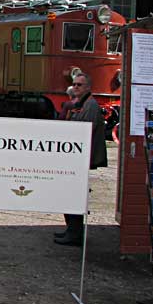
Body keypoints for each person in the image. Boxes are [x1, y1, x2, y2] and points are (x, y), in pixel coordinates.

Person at [55, 72, 107, 246]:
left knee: (73, 195)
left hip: (81, 159)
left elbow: (84, 131)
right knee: (68, 195)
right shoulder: (80, 104)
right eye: (75, 84)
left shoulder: (90, 106)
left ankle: (75, 233)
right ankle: (71, 230)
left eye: (79, 85)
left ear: (88, 87)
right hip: (76, 158)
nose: (76, 87)